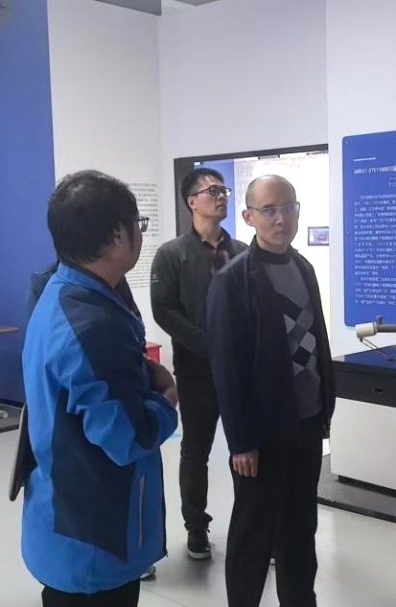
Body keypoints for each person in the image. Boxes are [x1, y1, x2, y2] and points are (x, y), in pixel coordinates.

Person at [21, 170, 178, 606]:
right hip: (94, 535)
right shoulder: (92, 324)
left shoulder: (64, 290)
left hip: (66, 513)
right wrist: (166, 400)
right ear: (116, 236)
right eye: (137, 224)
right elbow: (127, 439)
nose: (139, 234)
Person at [207, 175, 335, 607]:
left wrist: (324, 409)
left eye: (289, 207)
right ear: (248, 217)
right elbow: (227, 369)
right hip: (261, 435)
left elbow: (316, 342)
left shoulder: (303, 268)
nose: (281, 219)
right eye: (269, 210)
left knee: (300, 530)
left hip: (306, 425)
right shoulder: (233, 280)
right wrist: (241, 441)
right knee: (253, 535)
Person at [150, 168, 247, 559]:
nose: (222, 196)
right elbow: (164, 310)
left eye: (224, 190)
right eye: (213, 190)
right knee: (196, 450)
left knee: (247, 447)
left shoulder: (242, 252)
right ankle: (196, 526)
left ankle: (252, 526)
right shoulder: (172, 254)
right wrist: (209, 346)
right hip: (197, 369)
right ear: (192, 201)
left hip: (240, 370)